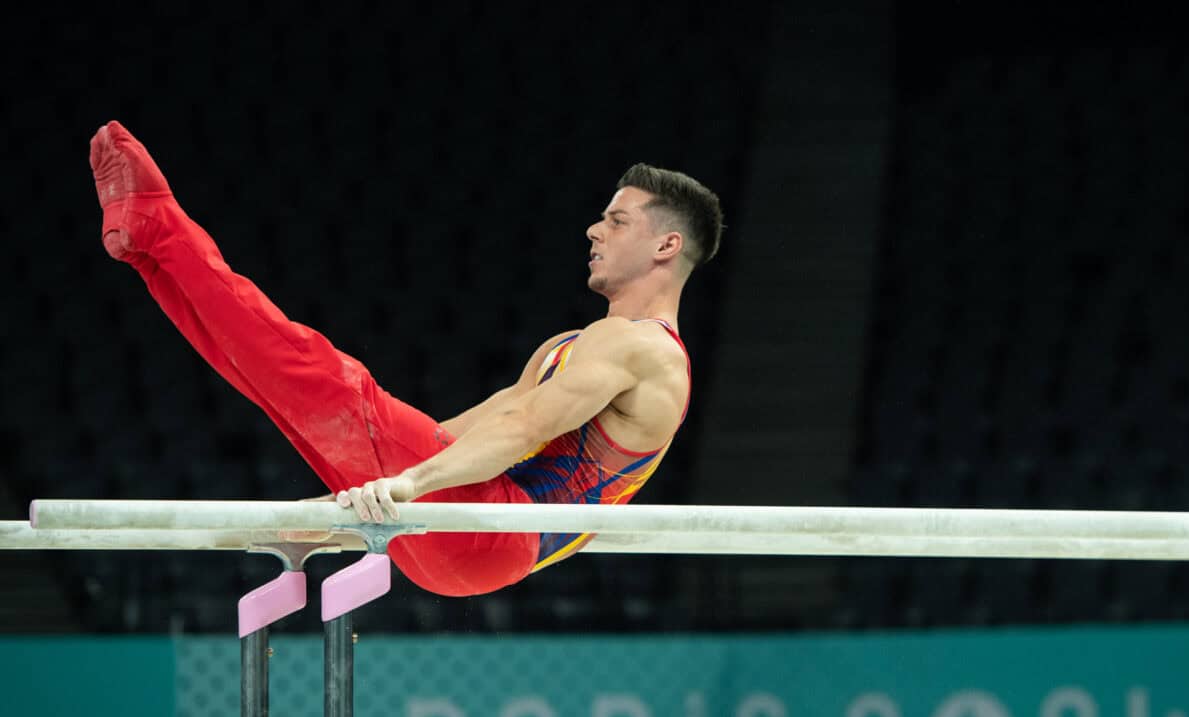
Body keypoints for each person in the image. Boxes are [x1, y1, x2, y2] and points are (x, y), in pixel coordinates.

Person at [90, 120, 723, 596]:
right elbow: (455, 438)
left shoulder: (643, 349)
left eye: (616, 221)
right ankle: (152, 259)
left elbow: (523, 431)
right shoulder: (570, 347)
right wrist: (322, 520)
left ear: (667, 244)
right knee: (283, 392)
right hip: (459, 539)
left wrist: (410, 486)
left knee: (322, 379)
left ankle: (159, 228)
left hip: (496, 531)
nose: (594, 230)